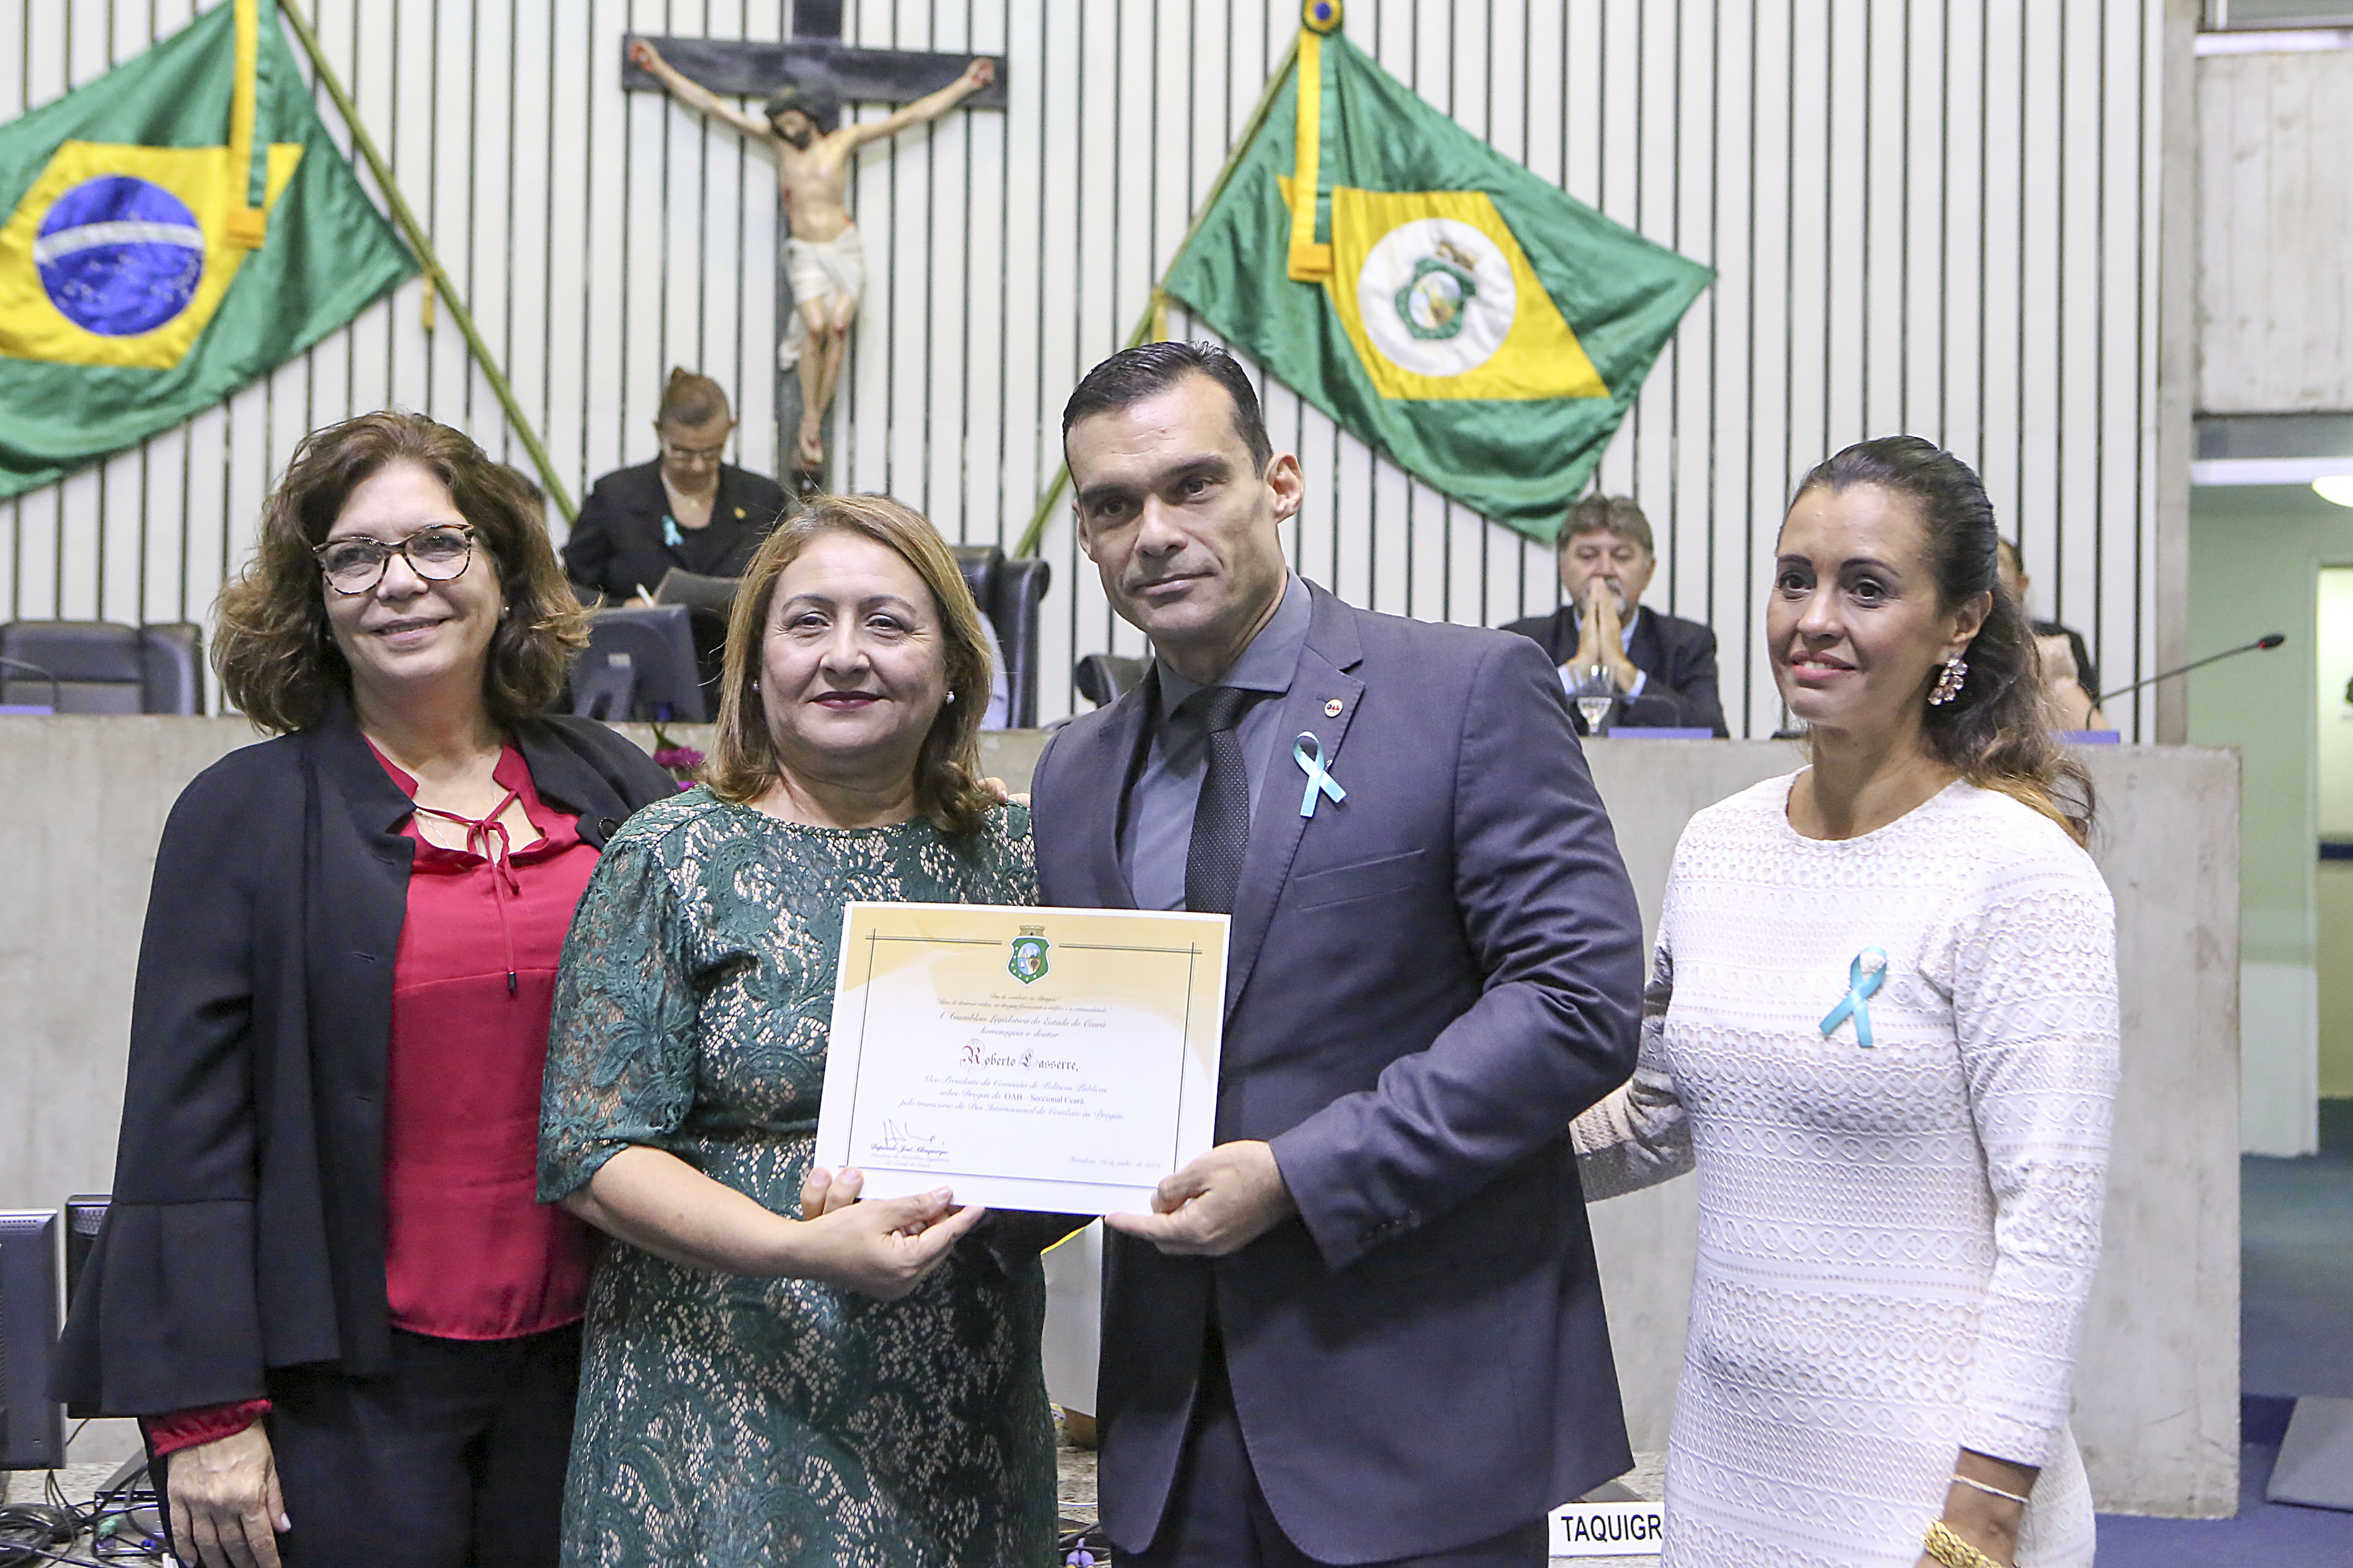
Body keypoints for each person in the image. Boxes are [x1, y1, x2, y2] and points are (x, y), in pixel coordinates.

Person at [1028, 341, 1646, 1567]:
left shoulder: (1465, 690)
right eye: (1113, 505)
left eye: (1193, 484)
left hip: (1426, 1423)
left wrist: (1302, 1173)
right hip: (1173, 1442)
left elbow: (1576, 1000)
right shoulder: (1074, 771)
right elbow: (1082, 1073)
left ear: (1282, 482)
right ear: (1088, 537)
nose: (1155, 532)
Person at [54, 412, 681, 1568]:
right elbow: (186, 1131)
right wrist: (204, 1414)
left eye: (439, 543)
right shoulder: (245, 813)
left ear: (503, 568)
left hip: (600, 1367)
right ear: (317, 596)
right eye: (354, 556)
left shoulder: (615, 785)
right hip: (346, 1389)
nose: (400, 582)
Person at [1572, 437, 2118, 1568]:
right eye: (1795, 578)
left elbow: (2051, 1228)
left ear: (1961, 620)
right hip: (1729, 1478)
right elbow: (1658, 1118)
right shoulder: (1718, 843)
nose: (1814, 619)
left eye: (1866, 587)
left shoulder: (2021, 872)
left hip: (1931, 1500)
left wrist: (1978, 1522)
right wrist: (1411, 1151)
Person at [538, 493, 1058, 1566]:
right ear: (755, 664)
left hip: (961, 1404)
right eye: (808, 620)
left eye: (889, 622)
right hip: (716, 1405)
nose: (845, 655)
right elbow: (589, 1151)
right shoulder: (668, 857)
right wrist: (795, 1246)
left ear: (954, 666)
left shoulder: (1023, 859)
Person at [627, 41, 996, 472]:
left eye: (791, 120)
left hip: (842, 245)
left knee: (838, 327)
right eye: (780, 124)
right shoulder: (779, 147)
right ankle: (809, 417)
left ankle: (814, 418)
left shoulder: (842, 143)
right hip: (805, 250)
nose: (786, 129)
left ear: (808, 115)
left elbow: (912, 116)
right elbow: (712, 106)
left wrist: (965, 85)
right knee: (815, 326)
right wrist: (659, 68)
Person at [563, 368, 792, 609]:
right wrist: (624, 608)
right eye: (682, 453)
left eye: (712, 452)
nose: (698, 466)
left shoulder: (762, 498)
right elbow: (566, 590)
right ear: (659, 432)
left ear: (730, 428)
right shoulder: (615, 497)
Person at [1501, 494, 1728, 735]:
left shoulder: (1687, 644)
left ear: (1649, 571)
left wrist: (1622, 670)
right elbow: (1496, 723)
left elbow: (1713, 736)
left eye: (1622, 557)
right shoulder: (1523, 642)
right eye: (1588, 556)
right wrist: (1577, 671)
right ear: (1563, 568)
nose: (1605, 570)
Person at [1994, 537, 2109, 732]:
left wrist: (2056, 677)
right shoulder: (1950, 642)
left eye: (2000, 562)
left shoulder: (2056, 645)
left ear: (2021, 583)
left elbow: (2095, 734)